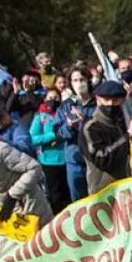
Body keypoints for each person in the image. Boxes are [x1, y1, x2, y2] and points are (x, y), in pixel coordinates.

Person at [78, 81, 132, 194]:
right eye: (106, 100)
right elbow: (101, 158)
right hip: (104, 193)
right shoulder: (90, 128)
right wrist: (128, 135)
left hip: (128, 186)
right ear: (98, 100)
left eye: (115, 100)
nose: (110, 104)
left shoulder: (124, 121)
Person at [53, 66, 95, 201]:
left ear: (88, 80)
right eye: (75, 80)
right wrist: (69, 127)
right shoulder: (65, 106)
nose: (79, 83)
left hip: (95, 160)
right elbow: (57, 134)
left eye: (82, 79)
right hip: (74, 161)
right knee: (79, 201)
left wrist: (86, 120)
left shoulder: (98, 103)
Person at [30, 89, 70, 214]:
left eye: (56, 97)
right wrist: (52, 136)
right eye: (50, 97)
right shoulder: (40, 117)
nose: (53, 100)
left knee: (68, 194)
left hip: (67, 159)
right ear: (45, 99)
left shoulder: (66, 114)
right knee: (55, 195)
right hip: (49, 161)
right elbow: (33, 138)